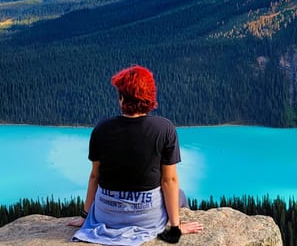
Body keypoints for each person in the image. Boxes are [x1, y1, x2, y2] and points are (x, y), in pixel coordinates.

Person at [70, 65, 203, 245]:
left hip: (105, 216)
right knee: (180, 195)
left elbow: (95, 175)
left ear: (122, 98)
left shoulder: (101, 129)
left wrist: (86, 217)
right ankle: (178, 222)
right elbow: (168, 181)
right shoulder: (164, 129)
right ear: (149, 97)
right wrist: (176, 227)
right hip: (147, 219)